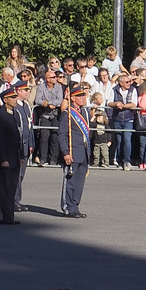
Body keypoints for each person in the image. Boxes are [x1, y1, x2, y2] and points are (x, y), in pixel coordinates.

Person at [0, 85, 26, 225]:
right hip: (5, 157)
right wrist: (3, 158)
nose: (15, 99)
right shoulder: (0, 116)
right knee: (3, 187)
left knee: (11, 188)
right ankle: (2, 215)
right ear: (5, 99)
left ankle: (9, 216)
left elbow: (19, 136)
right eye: (12, 97)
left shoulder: (14, 114)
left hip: (15, 156)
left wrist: (22, 156)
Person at [59, 83, 90, 218]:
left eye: (83, 95)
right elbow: (61, 135)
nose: (83, 98)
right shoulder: (67, 114)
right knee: (70, 181)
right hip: (72, 152)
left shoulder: (84, 112)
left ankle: (75, 205)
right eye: (79, 96)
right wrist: (65, 152)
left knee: (79, 183)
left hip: (83, 152)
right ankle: (68, 206)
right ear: (72, 98)